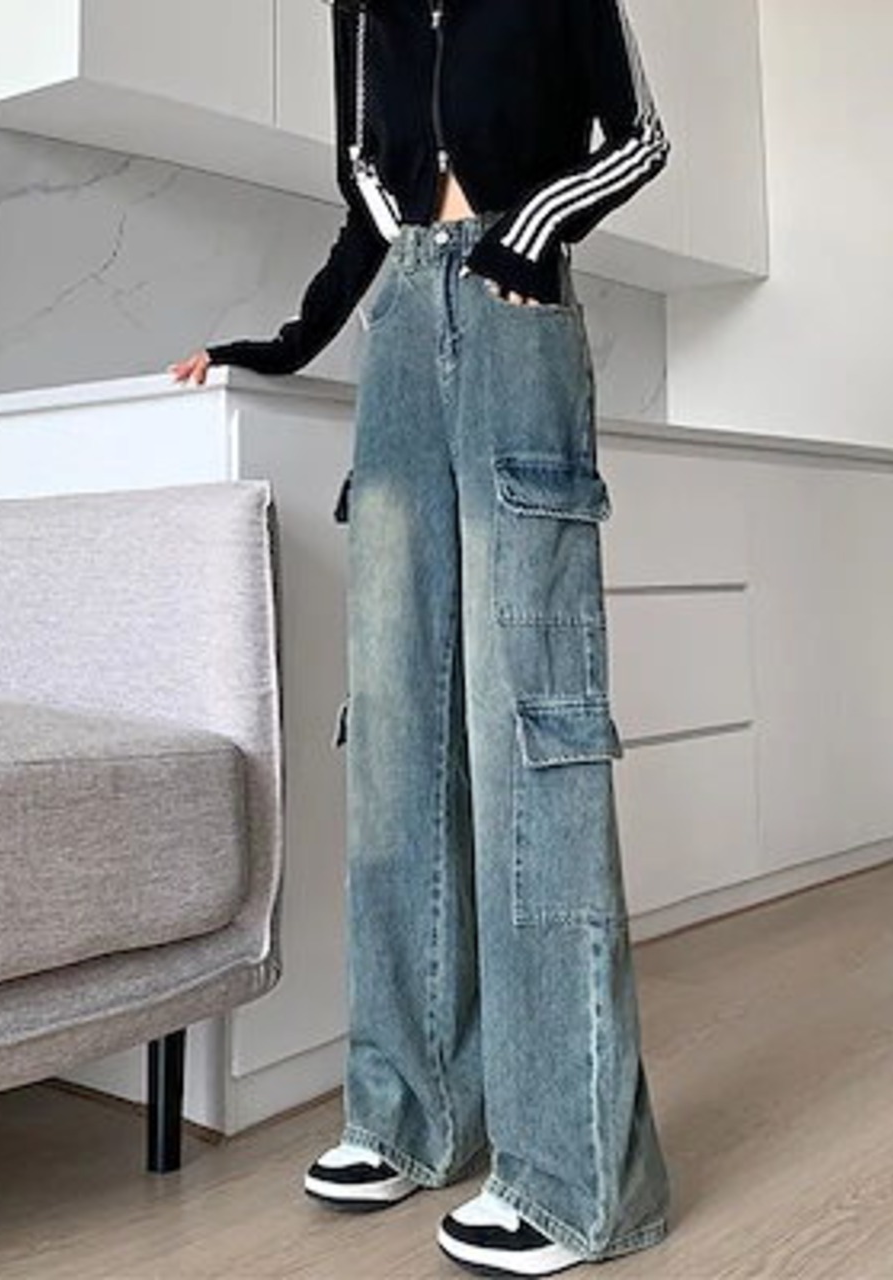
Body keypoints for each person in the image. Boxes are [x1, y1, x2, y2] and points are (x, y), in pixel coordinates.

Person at [171, 2, 672, 1274]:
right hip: (398, 336)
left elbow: (638, 140)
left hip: (516, 318)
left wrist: (530, 232)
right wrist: (278, 345)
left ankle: (571, 1176)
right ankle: (408, 1114)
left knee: (528, 734)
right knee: (396, 733)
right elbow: (366, 208)